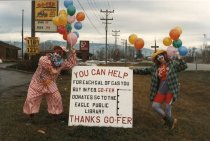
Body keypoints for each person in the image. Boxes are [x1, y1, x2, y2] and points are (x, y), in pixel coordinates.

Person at [133, 49, 187, 129]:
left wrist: (179, 57)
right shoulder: (155, 67)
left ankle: (169, 124)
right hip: (161, 89)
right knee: (155, 106)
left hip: (171, 88)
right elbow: (144, 71)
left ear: (164, 56)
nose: (160, 58)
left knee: (168, 107)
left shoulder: (172, 64)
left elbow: (184, 66)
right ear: (156, 60)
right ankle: (170, 120)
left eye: (161, 56)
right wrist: (133, 70)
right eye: (158, 58)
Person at [23, 46, 77, 122]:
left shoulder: (62, 63)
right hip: (37, 82)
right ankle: (31, 117)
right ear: (54, 50)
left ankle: (56, 116)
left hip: (50, 83)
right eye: (58, 50)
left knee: (56, 98)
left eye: (62, 52)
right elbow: (47, 66)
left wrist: (73, 53)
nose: (59, 53)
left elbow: (71, 64)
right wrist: (52, 68)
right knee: (30, 99)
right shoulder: (44, 59)